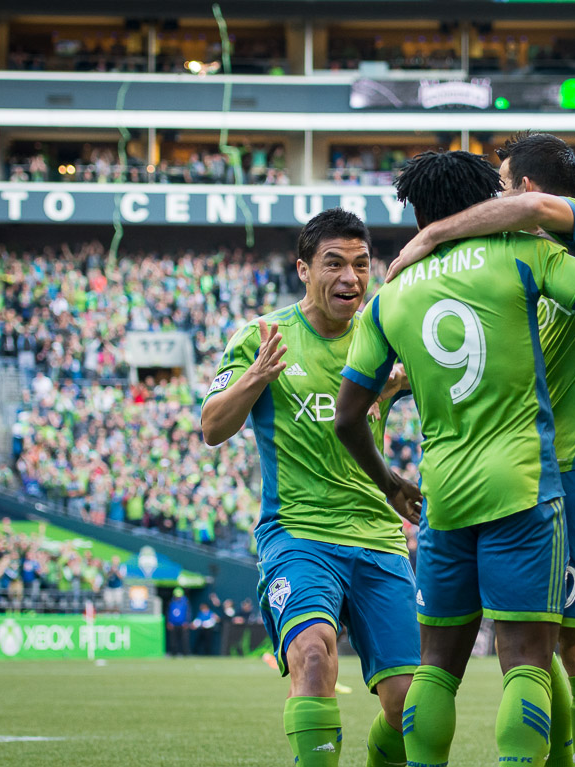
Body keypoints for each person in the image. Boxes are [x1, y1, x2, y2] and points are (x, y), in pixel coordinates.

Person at [334, 149, 575, 767]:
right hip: (526, 480)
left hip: (483, 484)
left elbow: (346, 417)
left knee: (456, 663)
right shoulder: (522, 256)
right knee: (533, 654)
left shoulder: (392, 296)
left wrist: (391, 481)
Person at [201, 208, 421, 767]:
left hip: (377, 537)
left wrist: (399, 384)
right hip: (298, 534)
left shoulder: (383, 337)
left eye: (361, 265)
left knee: (409, 707)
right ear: (303, 269)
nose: (350, 277)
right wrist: (255, 378)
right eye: (334, 264)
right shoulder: (263, 337)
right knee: (314, 657)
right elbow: (212, 428)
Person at [166, 587, 190, 657]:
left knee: (184, 640)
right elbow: (168, 613)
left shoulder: (185, 602)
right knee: (173, 640)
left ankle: (185, 653)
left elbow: (188, 613)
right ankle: (174, 653)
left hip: (183, 624)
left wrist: (186, 622)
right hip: (173, 624)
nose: (177, 598)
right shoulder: (171, 602)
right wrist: (169, 622)